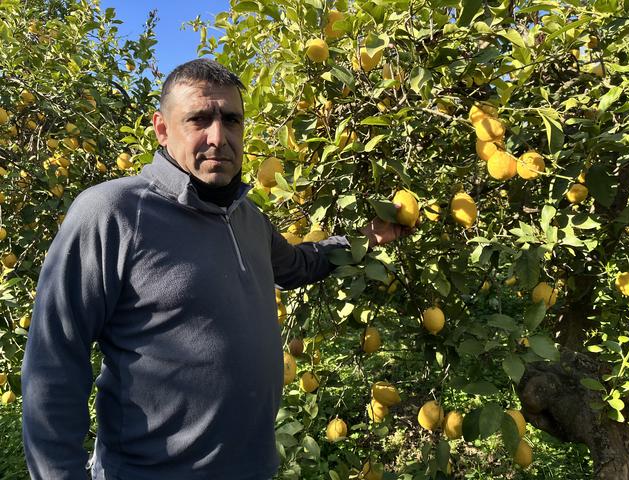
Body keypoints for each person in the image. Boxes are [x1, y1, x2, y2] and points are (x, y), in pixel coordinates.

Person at [21, 59, 408, 480]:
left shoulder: (247, 218)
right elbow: (54, 359)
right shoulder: (113, 213)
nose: (218, 137)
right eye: (199, 119)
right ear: (163, 129)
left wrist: (363, 239)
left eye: (231, 119)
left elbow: (299, 264)